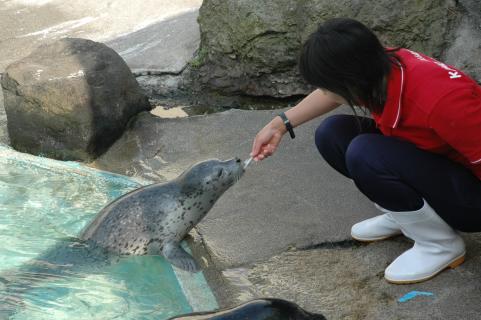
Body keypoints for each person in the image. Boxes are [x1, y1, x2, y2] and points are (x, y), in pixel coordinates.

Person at [250, 18, 481, 284]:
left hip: (473, 198)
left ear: (350, 81)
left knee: (366, 153)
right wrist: (280, 124)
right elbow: (330, 95)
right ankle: (410, 217)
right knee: (332, 134)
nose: (324, 93)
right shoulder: (380, 65)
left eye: (327, 86)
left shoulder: (445, 102)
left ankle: (439, 245)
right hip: (440, 164)